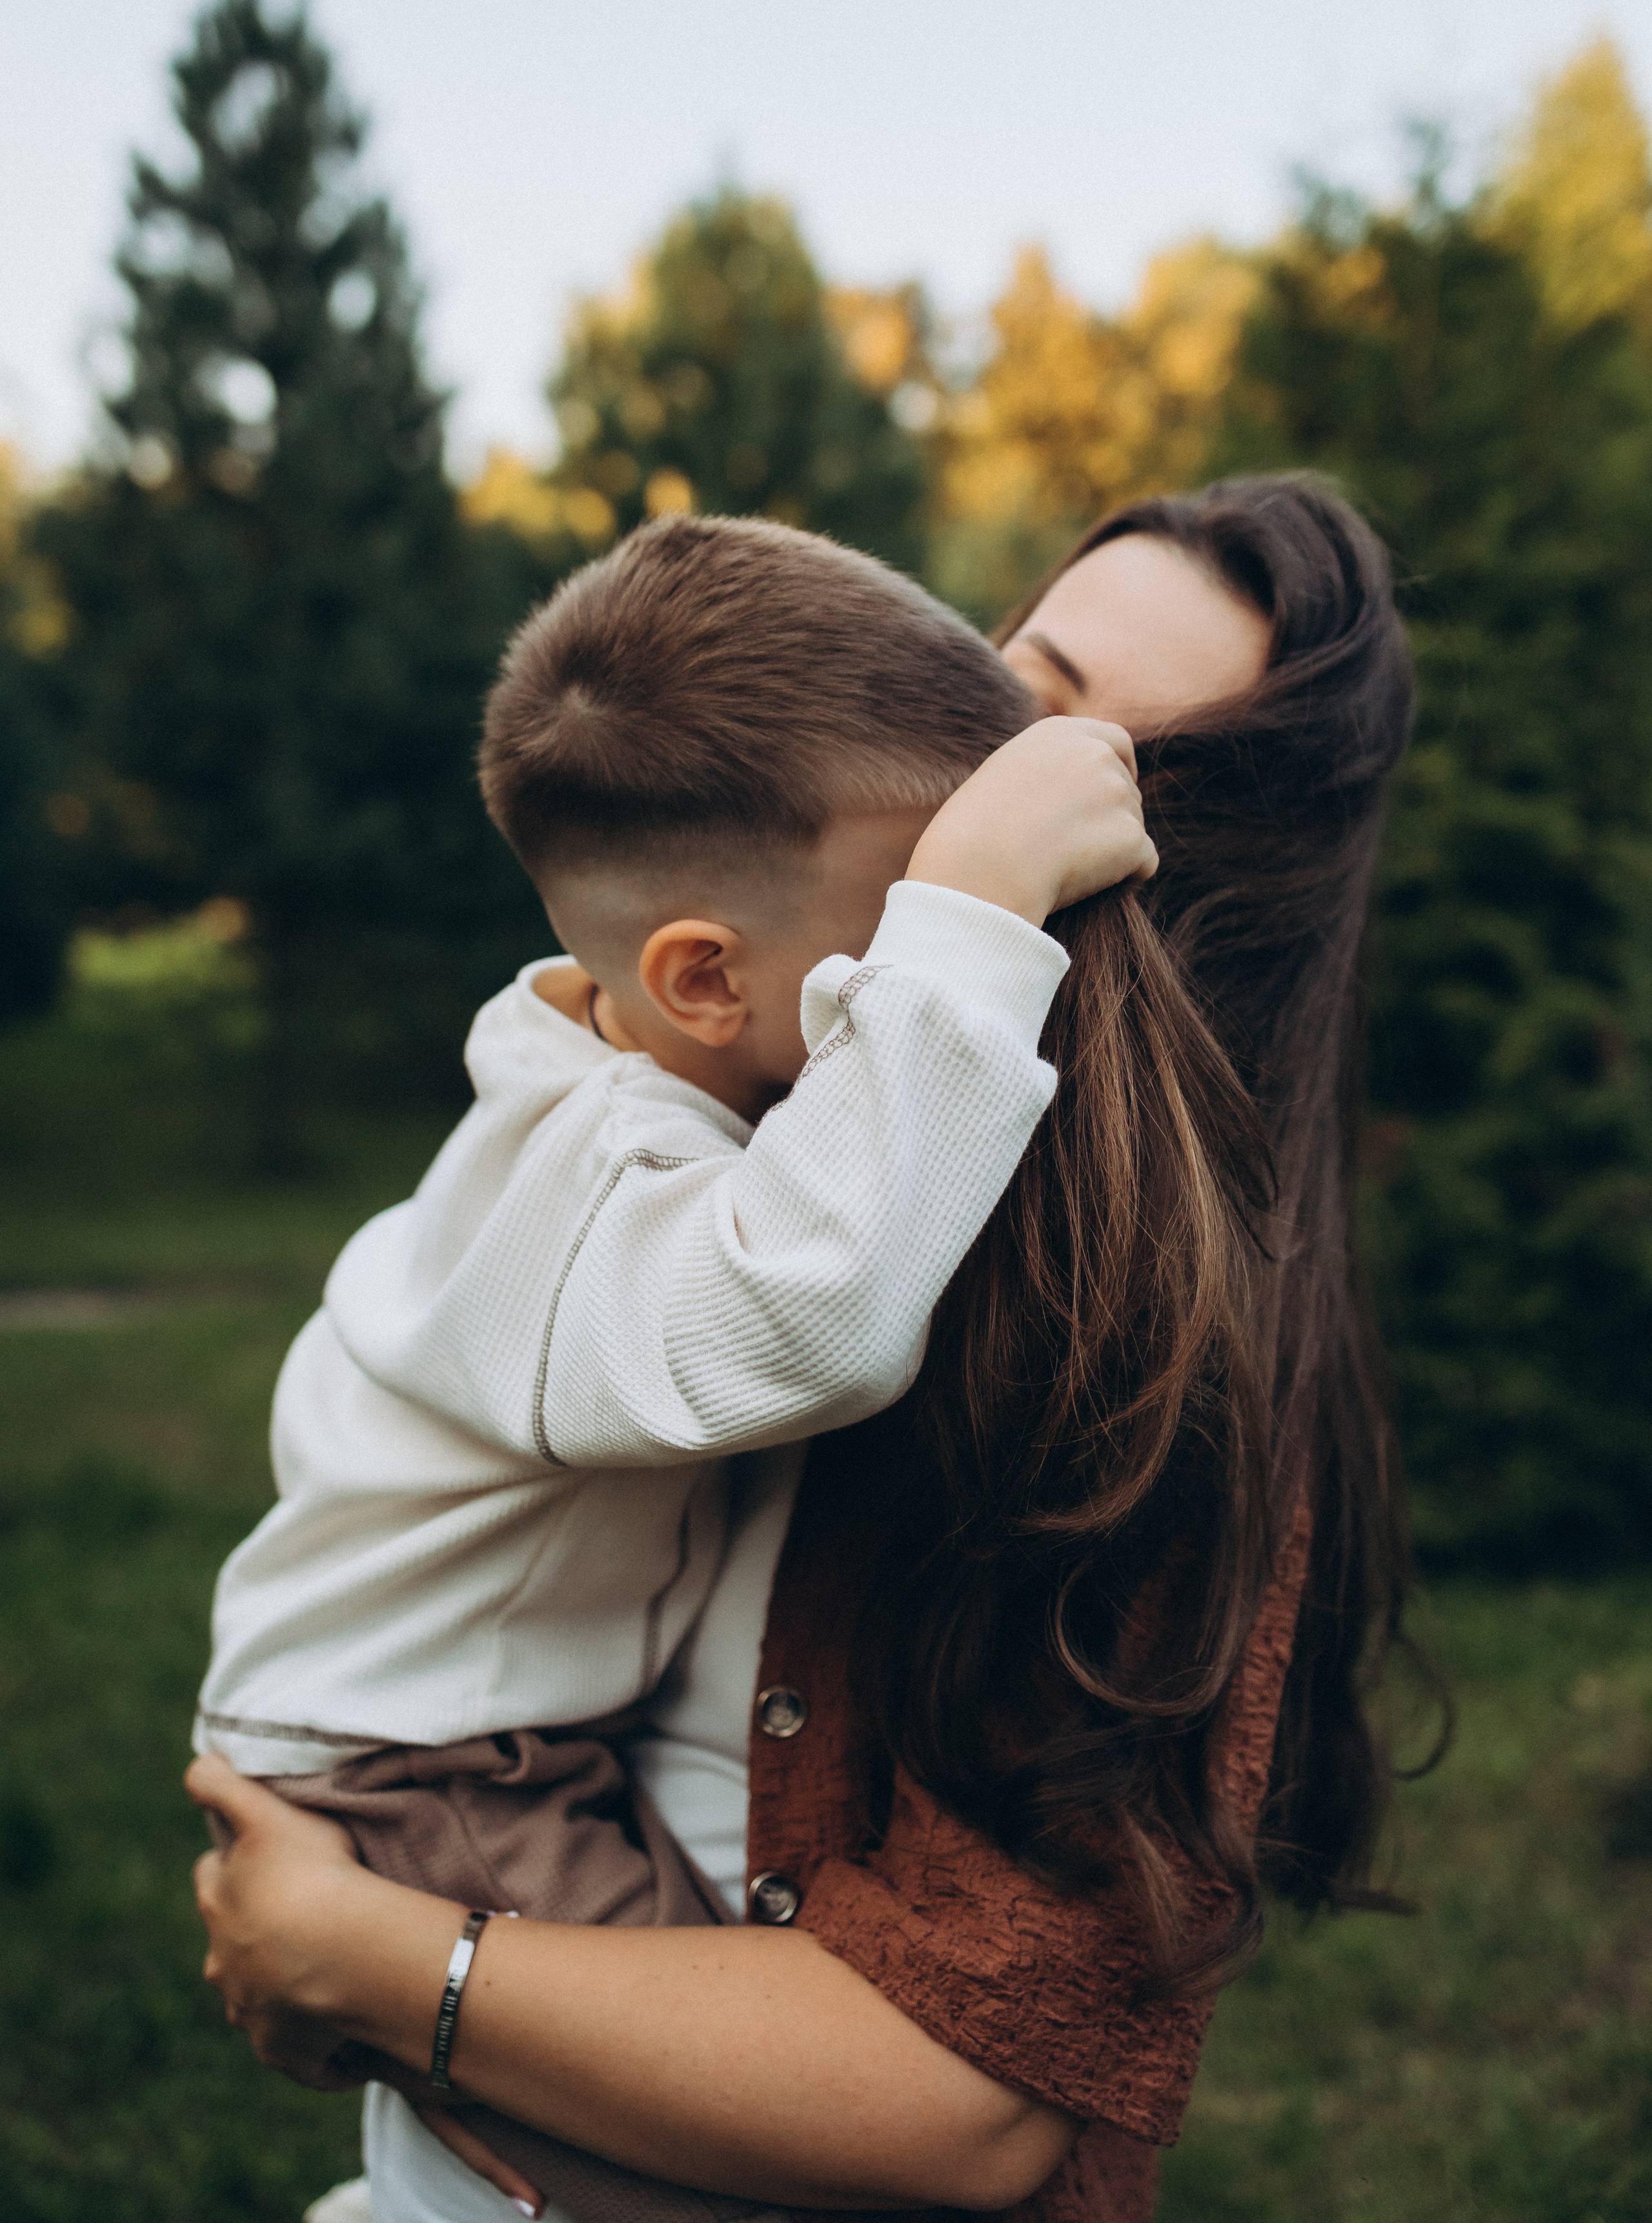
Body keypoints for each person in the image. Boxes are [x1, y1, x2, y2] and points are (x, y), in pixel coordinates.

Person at [190, 476, 1420, 2223]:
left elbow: (966, 2101)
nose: (1037, 790)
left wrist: (372, 1959)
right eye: (1028, 699)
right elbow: (795, 1299)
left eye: (1142, 773)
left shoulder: (1135, 1357)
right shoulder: (685, 1143)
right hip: (423, 1772)